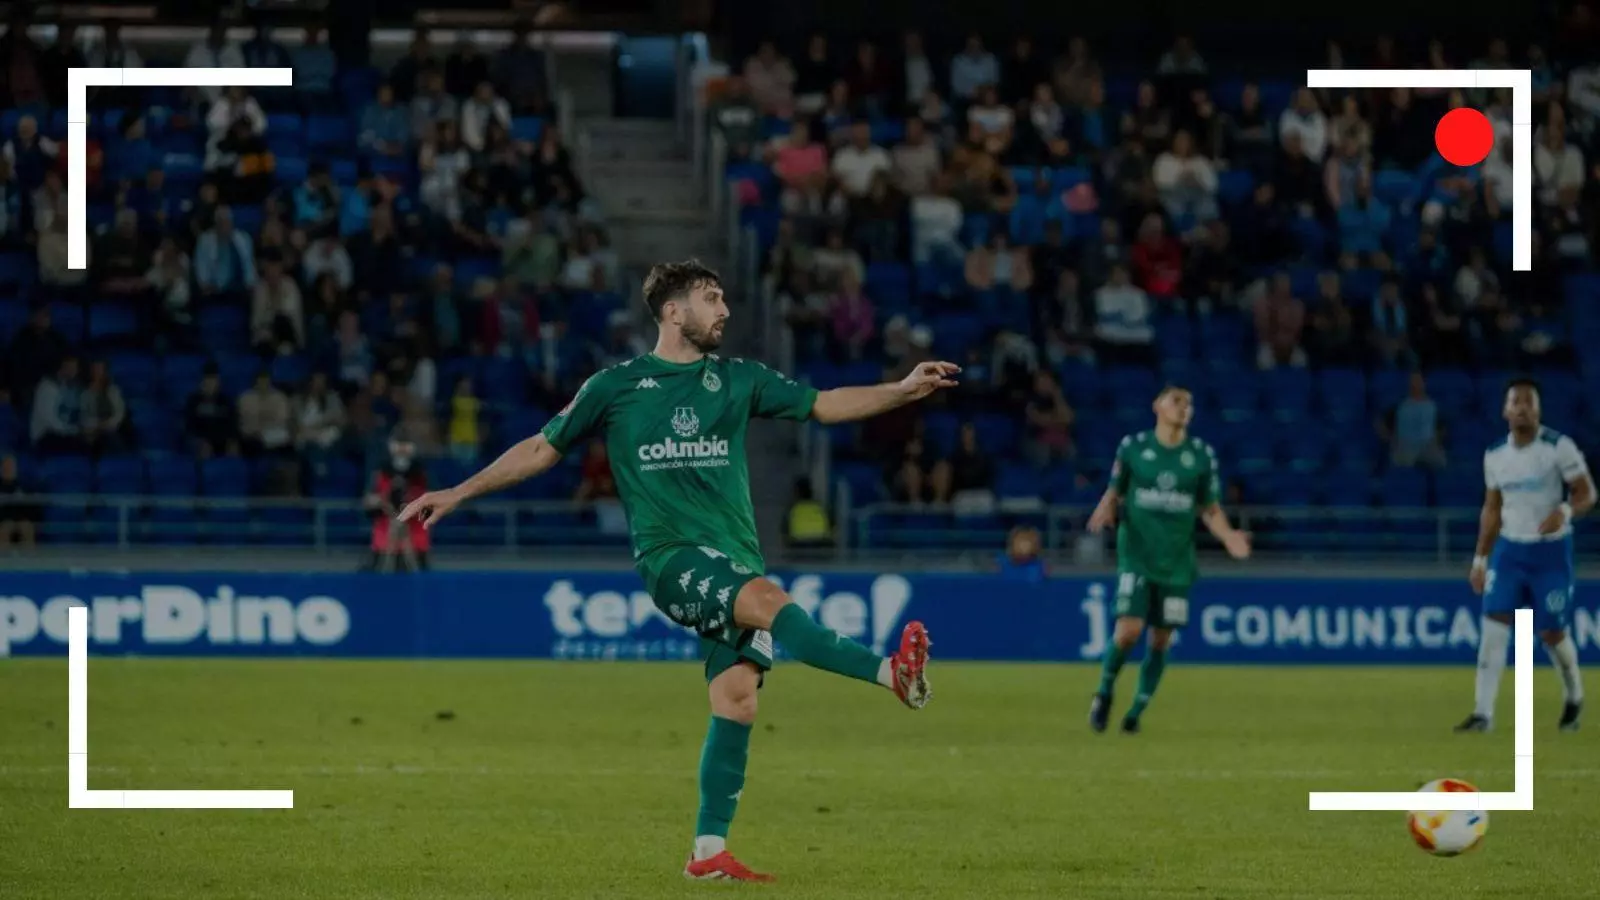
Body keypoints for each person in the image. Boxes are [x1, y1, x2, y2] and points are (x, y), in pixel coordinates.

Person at [398, 259, 955, 882]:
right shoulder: (615, 387)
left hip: (735, 559)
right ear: (672, 310)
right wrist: (458, 492)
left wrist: (900, 390)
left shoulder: (740, 379)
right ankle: (891, 674)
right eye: (710, 298)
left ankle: (708, 852)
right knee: (770, 601)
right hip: (671, 559)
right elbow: (538, 448)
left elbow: (824, 405)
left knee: (737, 699)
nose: (724, 310)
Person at [1086, 385, 1252, 734]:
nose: (1183, 407)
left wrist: (1228, 536)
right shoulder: (1134, 447)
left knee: (1161, 639)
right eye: (1176, 401)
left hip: (1176, 563)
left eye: (1188, 403)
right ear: (1157, 406)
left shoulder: (1200, 455)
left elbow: (1210, 508)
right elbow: (1116, 488)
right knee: (1129, 631)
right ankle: (1104, 693)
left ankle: (1136, 711)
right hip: (1137, 556)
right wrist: (1105, 506)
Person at [1457, 378, 1593, 734]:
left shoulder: (1558, 447)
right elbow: (1492, 508)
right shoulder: (1495, 455)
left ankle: (1574, 696)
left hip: (1550, 554)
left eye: (1528, 402)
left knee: (1552, 633)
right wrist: (1480, 559)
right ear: (1505, 411)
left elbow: (1587, 493)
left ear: (1538, 410)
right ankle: (1482, 713)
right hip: (1510, 551)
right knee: (1493, 623)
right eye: (1515, 402)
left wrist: (1565, 511)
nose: (1521, 408)